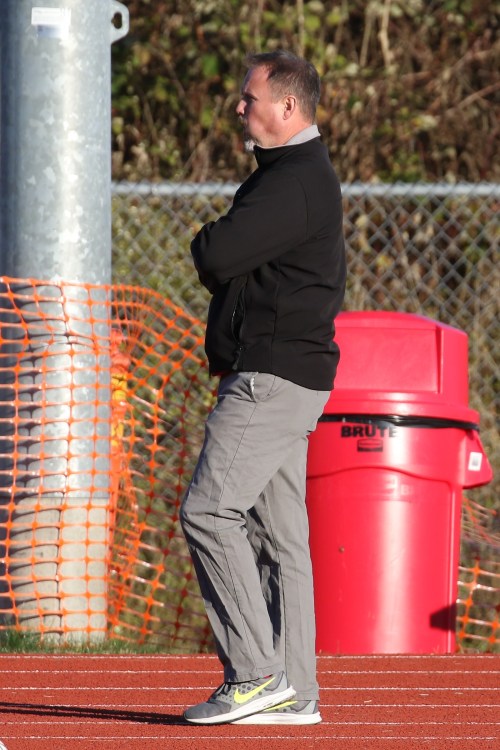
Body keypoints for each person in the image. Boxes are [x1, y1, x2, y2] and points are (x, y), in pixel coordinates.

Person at [180, 50, 346, 726]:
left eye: (249, 97)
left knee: (208, 511)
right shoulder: (290, 175)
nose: (239, 107)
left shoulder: (294, 179)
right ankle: (295, 692)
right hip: (290, 375)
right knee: (281, 541)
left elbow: (217, 253)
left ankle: (255, 674)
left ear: (288, 106)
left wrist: (207, 240)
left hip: (271, 377)